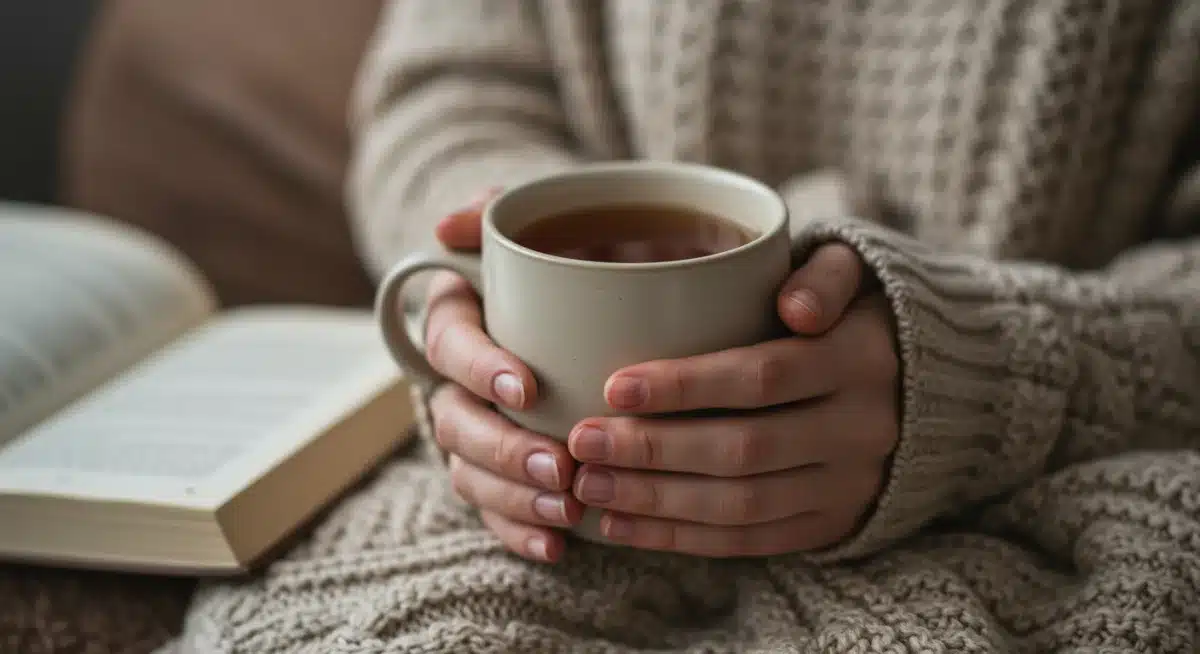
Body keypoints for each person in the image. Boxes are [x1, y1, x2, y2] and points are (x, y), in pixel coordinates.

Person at [168, 1, 1200, 652]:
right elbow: (452, 89)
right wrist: (482, 309)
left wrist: (989, 371)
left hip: (1076, 465)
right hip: (542, 517)